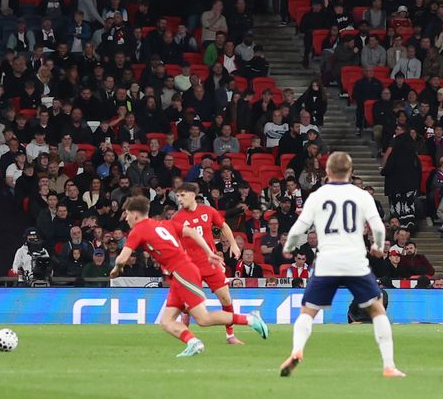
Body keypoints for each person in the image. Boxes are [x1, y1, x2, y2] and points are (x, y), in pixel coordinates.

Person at [279, 150, 401, 378]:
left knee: (308, 312)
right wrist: (378, 246)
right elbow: (378, 227)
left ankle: (297, 351)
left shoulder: (317, 196)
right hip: (355, 259)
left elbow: (299, 226)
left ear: (327, 171)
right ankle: (389, 365)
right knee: (377, 311)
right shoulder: (362, 195)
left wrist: (288, 248)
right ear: (351, 171)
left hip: (327, 261)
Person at [113, 194, 268, 357]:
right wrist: (209, 252)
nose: (126, 218)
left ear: (135, 214)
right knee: (166, 322)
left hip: (182, 272)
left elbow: (122, 258)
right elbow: (193, 233)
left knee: (203, 319)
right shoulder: (164, 224)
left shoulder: (139, 230)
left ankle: (250, 319)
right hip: (178, 274)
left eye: (127, 214)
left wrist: (116, 268)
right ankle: (193, 342)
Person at [172, 184, 245, 343]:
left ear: (192, 194)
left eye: (182, 195)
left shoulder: (208, 211)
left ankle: (230, 335)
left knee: (226, 298)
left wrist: (233, 244)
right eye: (177, 196)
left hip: (210, 264)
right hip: (190, 266)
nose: (179, 199)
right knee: (187, 305)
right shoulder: (176, 218)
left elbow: (223, 225)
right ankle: (187, 338)